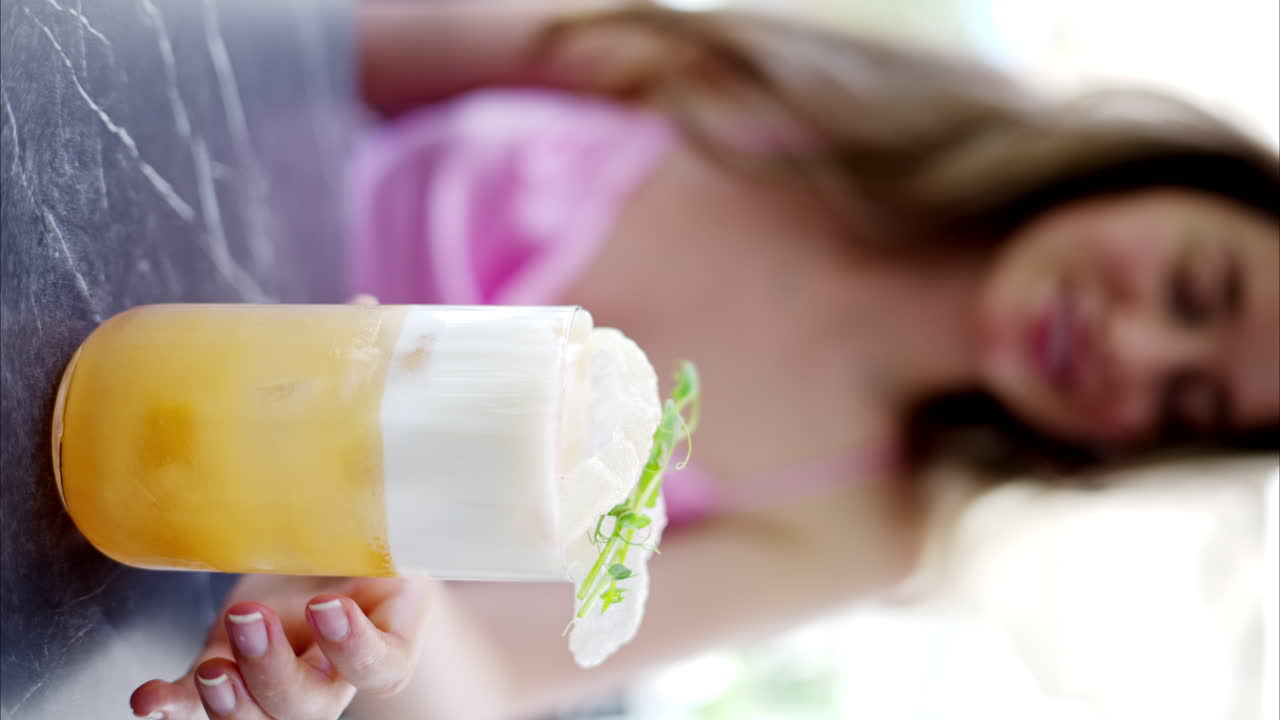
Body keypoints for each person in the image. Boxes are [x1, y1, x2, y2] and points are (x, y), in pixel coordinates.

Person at [131, 3, 1280, 719]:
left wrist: (376, 626)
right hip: (129, 196)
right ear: (1156, 172)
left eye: (1184, 404)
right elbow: (344, 34)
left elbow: (488, 682)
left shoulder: (864, 527)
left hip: (145, 515)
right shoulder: (800, 102)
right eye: (1195, 289)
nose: (1131, 347)